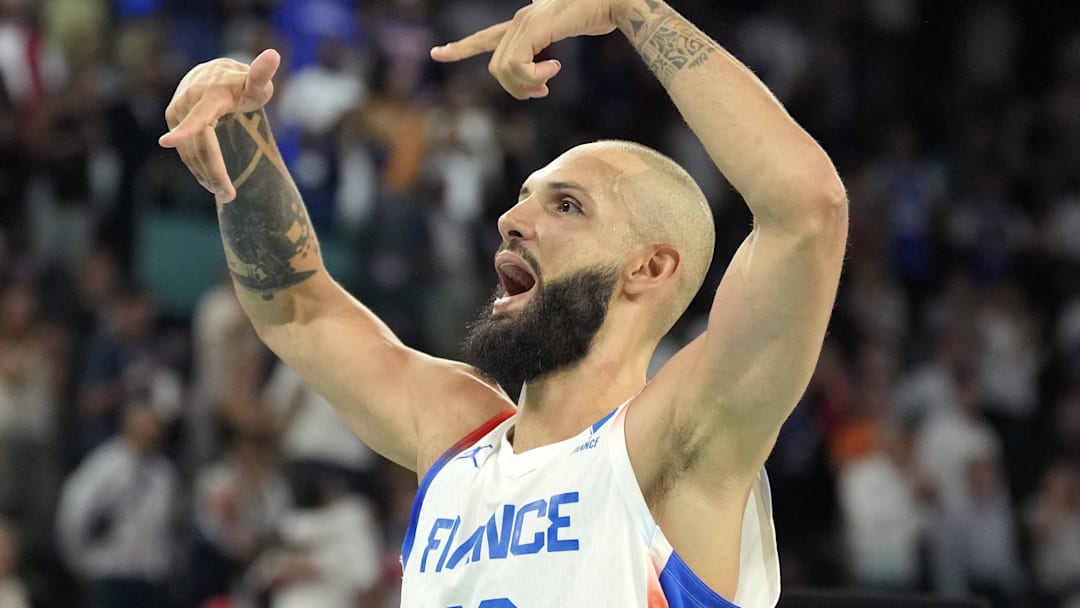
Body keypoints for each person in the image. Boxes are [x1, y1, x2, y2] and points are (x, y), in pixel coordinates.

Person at [159, 0, 848, 605]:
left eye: (568, 206)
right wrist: (235, 125)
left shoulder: (678, 443)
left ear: (649, 268)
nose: (512, 221)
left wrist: (634, 9)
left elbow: (806, 211)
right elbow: (297, 308)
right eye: (521, 199)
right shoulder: (456, 435)